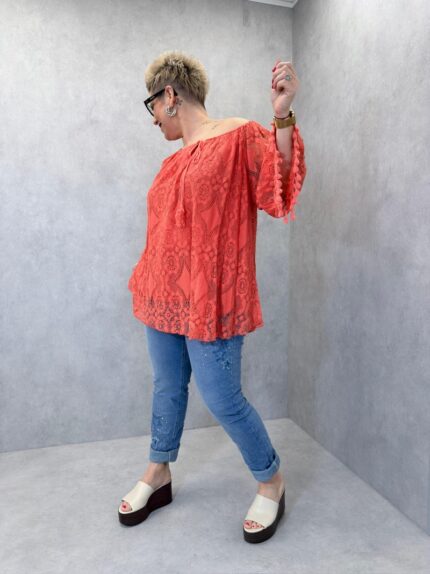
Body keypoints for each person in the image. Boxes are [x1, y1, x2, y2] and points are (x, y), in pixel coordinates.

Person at [118, 50, 307, 543]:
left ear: (169, 96)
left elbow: (278, 188)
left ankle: (271, 479)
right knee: (167, 386)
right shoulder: (172, 162)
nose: (153, 119)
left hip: (211, 298)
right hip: (162, 294)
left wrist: (282, 115)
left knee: (222, 397)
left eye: (152, 107)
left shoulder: (238, 135)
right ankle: (159, 470)